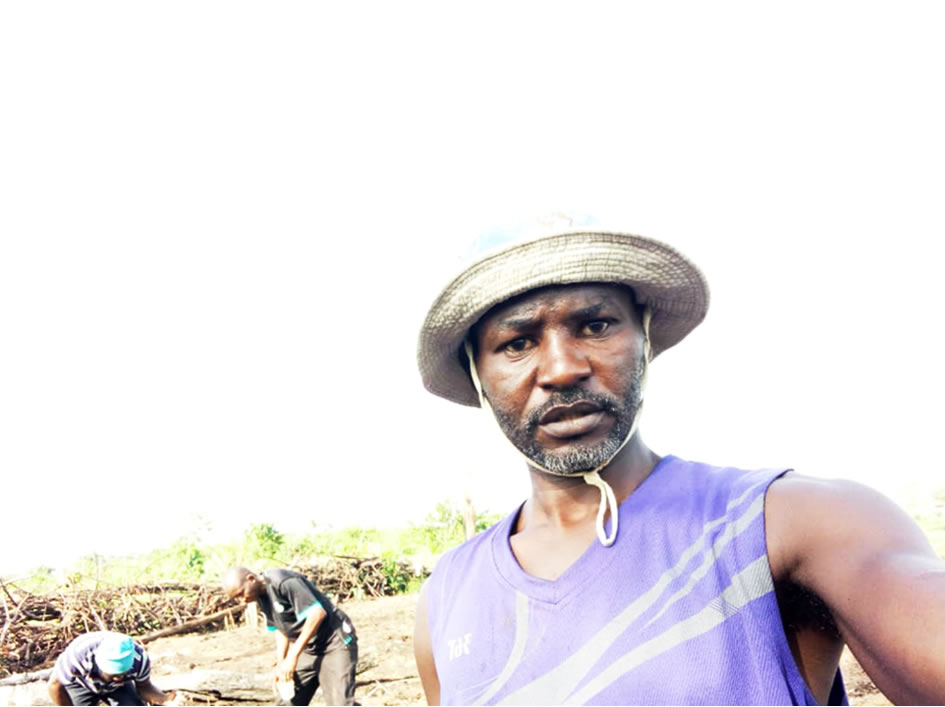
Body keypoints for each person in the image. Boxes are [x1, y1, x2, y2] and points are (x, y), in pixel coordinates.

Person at [413, 215, 945, 705]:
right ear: (477, 374)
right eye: (517, 342)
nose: (562, 368)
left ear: (644, 338)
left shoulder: (792, 523)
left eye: (596, 326)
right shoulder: (446, 599)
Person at [222, 566, 358, 706]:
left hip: (334, 642)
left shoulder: (283, 581)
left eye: (241, 594)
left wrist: (292, 657)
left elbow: (317, 614)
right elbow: (281, 628)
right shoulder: (260, 595)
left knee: (340, 703)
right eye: (236, 598)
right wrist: (281, 663)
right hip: (309, 648)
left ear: (251, 579)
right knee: (287, 700)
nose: (242, 601)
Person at [47, 631, 175, 706]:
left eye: (123, 673)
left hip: (118, 689)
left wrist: (166, 700)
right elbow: (54, 686)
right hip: (81, 684)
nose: (119, 678)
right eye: (114, 674)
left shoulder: (139, 659)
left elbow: (145, 687)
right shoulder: (78, 657)